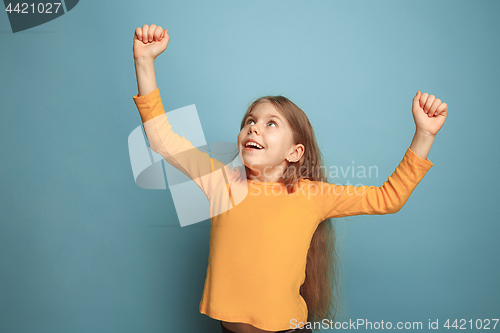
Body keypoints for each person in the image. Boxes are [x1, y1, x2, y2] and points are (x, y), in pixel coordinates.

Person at [131, 24, 448, 333]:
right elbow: (162, 140)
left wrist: (423, 135)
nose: (254, 127)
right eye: (250, 121)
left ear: (295, 152)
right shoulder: (221, 181)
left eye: (271, 124)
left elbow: (387, 198)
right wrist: (144, 61)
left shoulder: (311, 196)